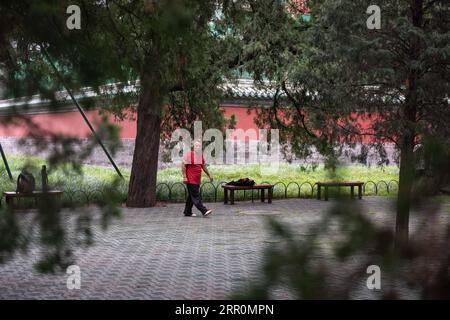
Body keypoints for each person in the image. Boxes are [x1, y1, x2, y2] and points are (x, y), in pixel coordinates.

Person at [182, 139, 213, 217]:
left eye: (199, 146)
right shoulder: (189, 155)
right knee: (196, 196)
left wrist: (209, 175)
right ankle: (204, 210)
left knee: (191, 197)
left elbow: (203, 166)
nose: (198, 147)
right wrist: (185, 177)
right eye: (196, 146)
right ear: (193, 147)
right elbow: (183, 165)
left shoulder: (200, 156)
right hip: (190, 180)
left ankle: (187, 211)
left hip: (197, 180)